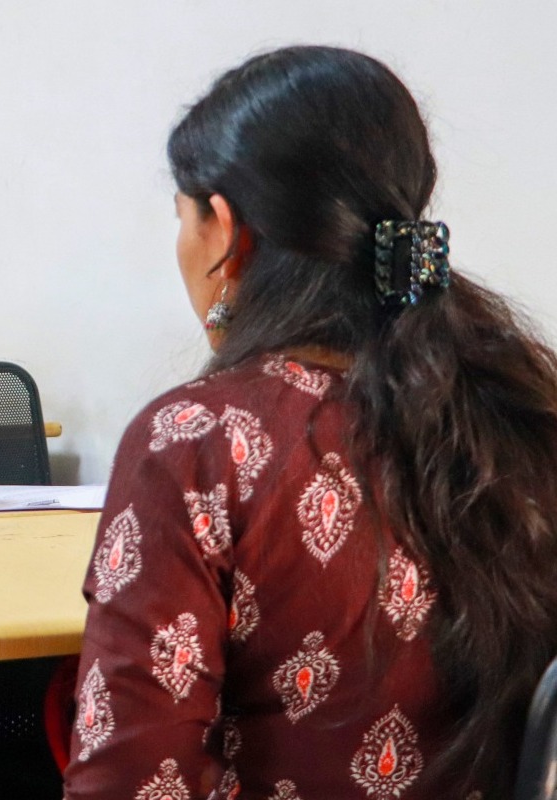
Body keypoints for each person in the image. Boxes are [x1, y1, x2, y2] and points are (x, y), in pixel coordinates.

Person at [63, 46, 557, 800]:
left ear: (224, 231)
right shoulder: (517, 407)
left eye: (183, 220)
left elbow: (134, 778)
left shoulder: (196, 438)